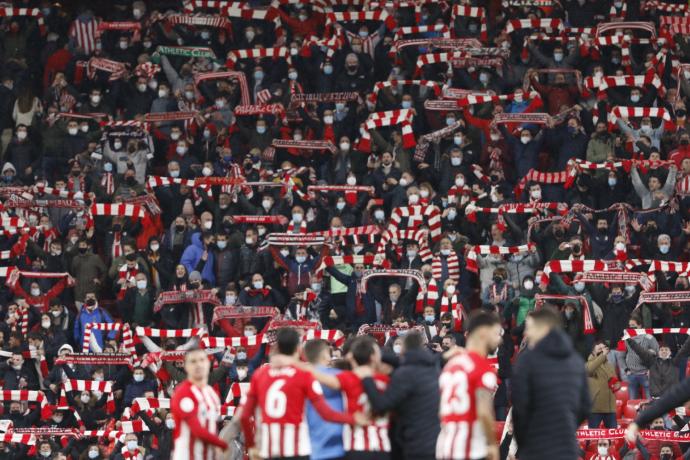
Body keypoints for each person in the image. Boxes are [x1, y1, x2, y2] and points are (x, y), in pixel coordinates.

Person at [240, 328, 366, 460]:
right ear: (298, 349)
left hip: (269, 448)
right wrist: (353, 419)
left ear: (277, 347)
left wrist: (251, 445)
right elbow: (325, 413)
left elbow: (244, 416)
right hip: (297, 448)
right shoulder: (304, 375)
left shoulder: (259, 375)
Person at [512, 307, 591, 459]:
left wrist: (525, 445)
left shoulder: (527, 360)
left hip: (535, 450)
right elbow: (585, 406)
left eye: (529, 328)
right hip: (567, 450)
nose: (525, 333)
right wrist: (564, 428)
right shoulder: (576, 360)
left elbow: (520, 410)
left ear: (545, 328)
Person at [435, 310, 502, 460]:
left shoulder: (451, 365)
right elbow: (484, 412)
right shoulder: (483, 368)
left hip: (445, 447)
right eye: (496, 333)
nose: (499, 340)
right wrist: (492, 445)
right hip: (469, 449)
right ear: (483, 332)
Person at [170, 347, 228, 460]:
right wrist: (222, 444)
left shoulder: (211, 394)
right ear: (186, 366)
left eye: (202, 360)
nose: (198, 365)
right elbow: (196, 429)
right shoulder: (183, 392)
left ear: (208, 363)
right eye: (193, 361)